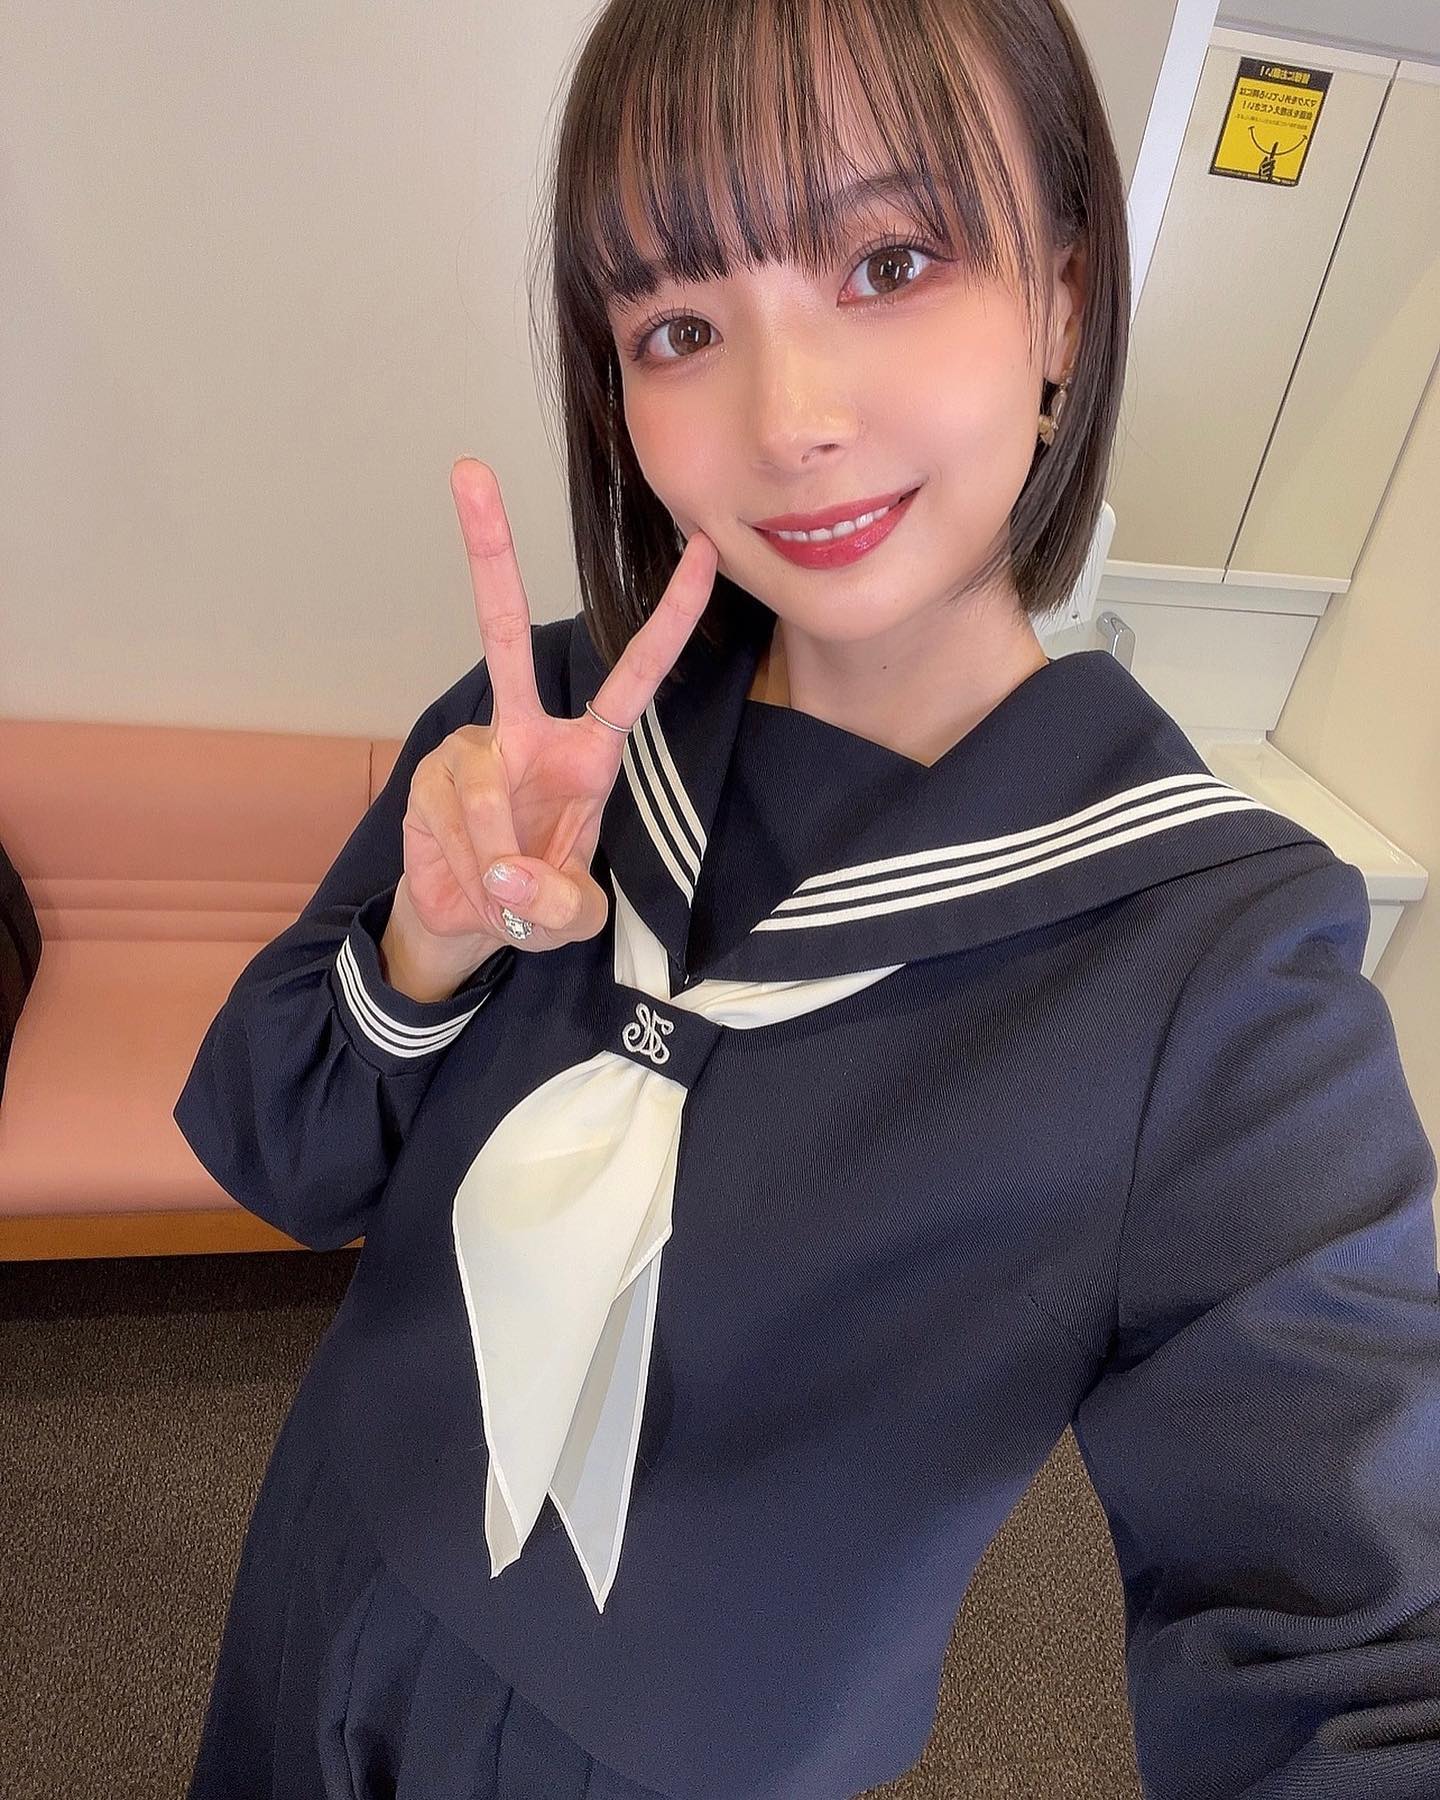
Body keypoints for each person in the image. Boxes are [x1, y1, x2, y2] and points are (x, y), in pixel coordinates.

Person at [173, 2, 1440, 1797]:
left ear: (1064, 299)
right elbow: (276, 1158)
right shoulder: (551, 734)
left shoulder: (1217, 978)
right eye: (679, 328)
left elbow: (1364, 1642)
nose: (787, 423)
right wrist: (426, 945)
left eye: (889, 261)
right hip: (317, 1579)